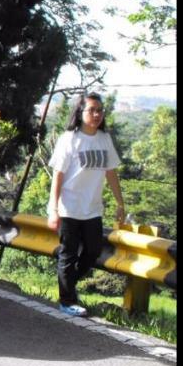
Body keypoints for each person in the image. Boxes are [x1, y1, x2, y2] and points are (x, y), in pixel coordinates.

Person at [47, 91, 127, 318]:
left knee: (93, 251)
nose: (97, 114)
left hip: (92, 209)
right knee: (68, 255)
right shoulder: (69, 139)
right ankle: (67, 300)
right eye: (91, 110)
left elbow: (111, 172)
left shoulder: (104, 138)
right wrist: (53, 209)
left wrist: (120, 203)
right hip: (69, 207)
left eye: (100, 110)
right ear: (80, 112)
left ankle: (68, 285)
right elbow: (58, 176)